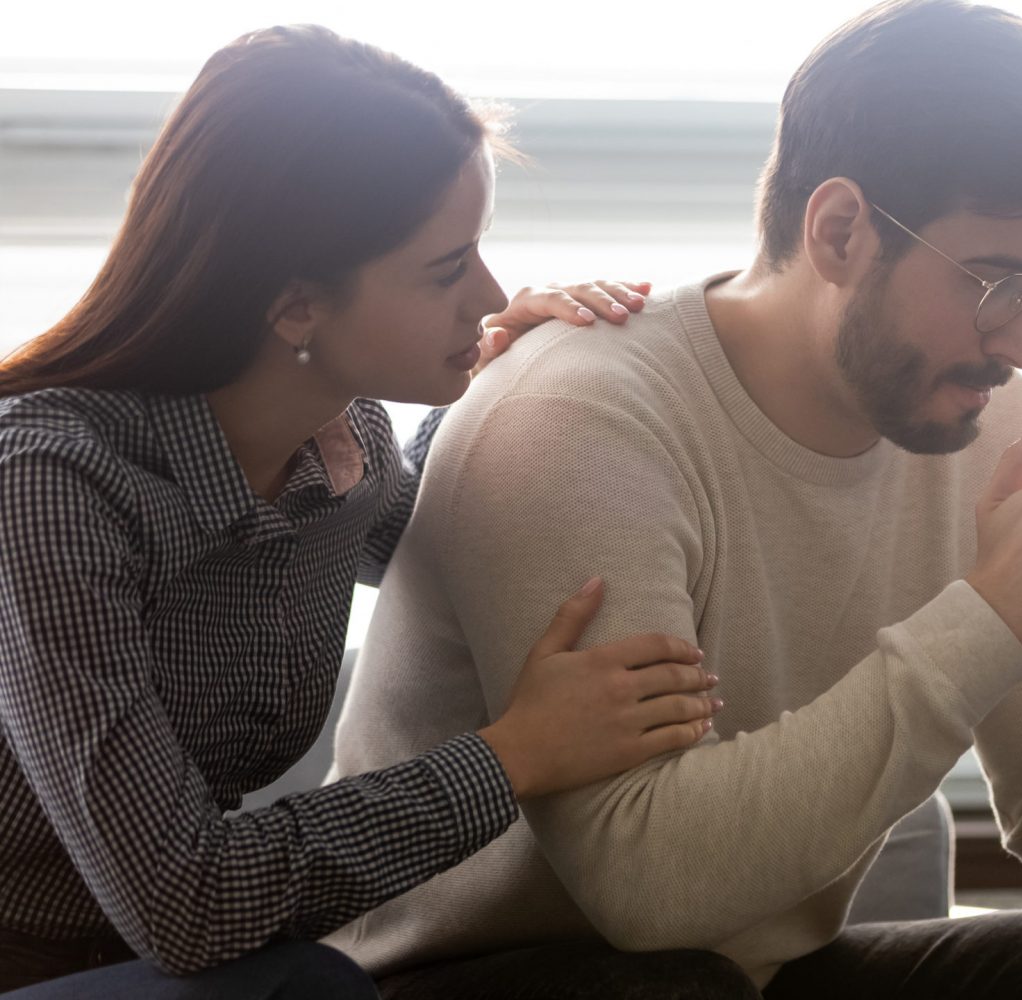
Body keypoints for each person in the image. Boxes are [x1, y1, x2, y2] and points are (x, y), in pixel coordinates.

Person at [330, 1, 1022, 997]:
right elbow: (642, 890)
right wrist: (994, 618)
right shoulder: (578, 417)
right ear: (839, 230)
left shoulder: (988, 422)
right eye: (994, 281)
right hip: (472, 975)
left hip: (755, 974)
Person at [0, 25, 751, 998]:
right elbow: (191, 902)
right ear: (296, 305)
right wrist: (515, 753)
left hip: (198, 965)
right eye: (446, 270)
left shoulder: (341, 436)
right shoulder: (52, 487)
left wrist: (520, 385)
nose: (490, 294)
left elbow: (444, 529)